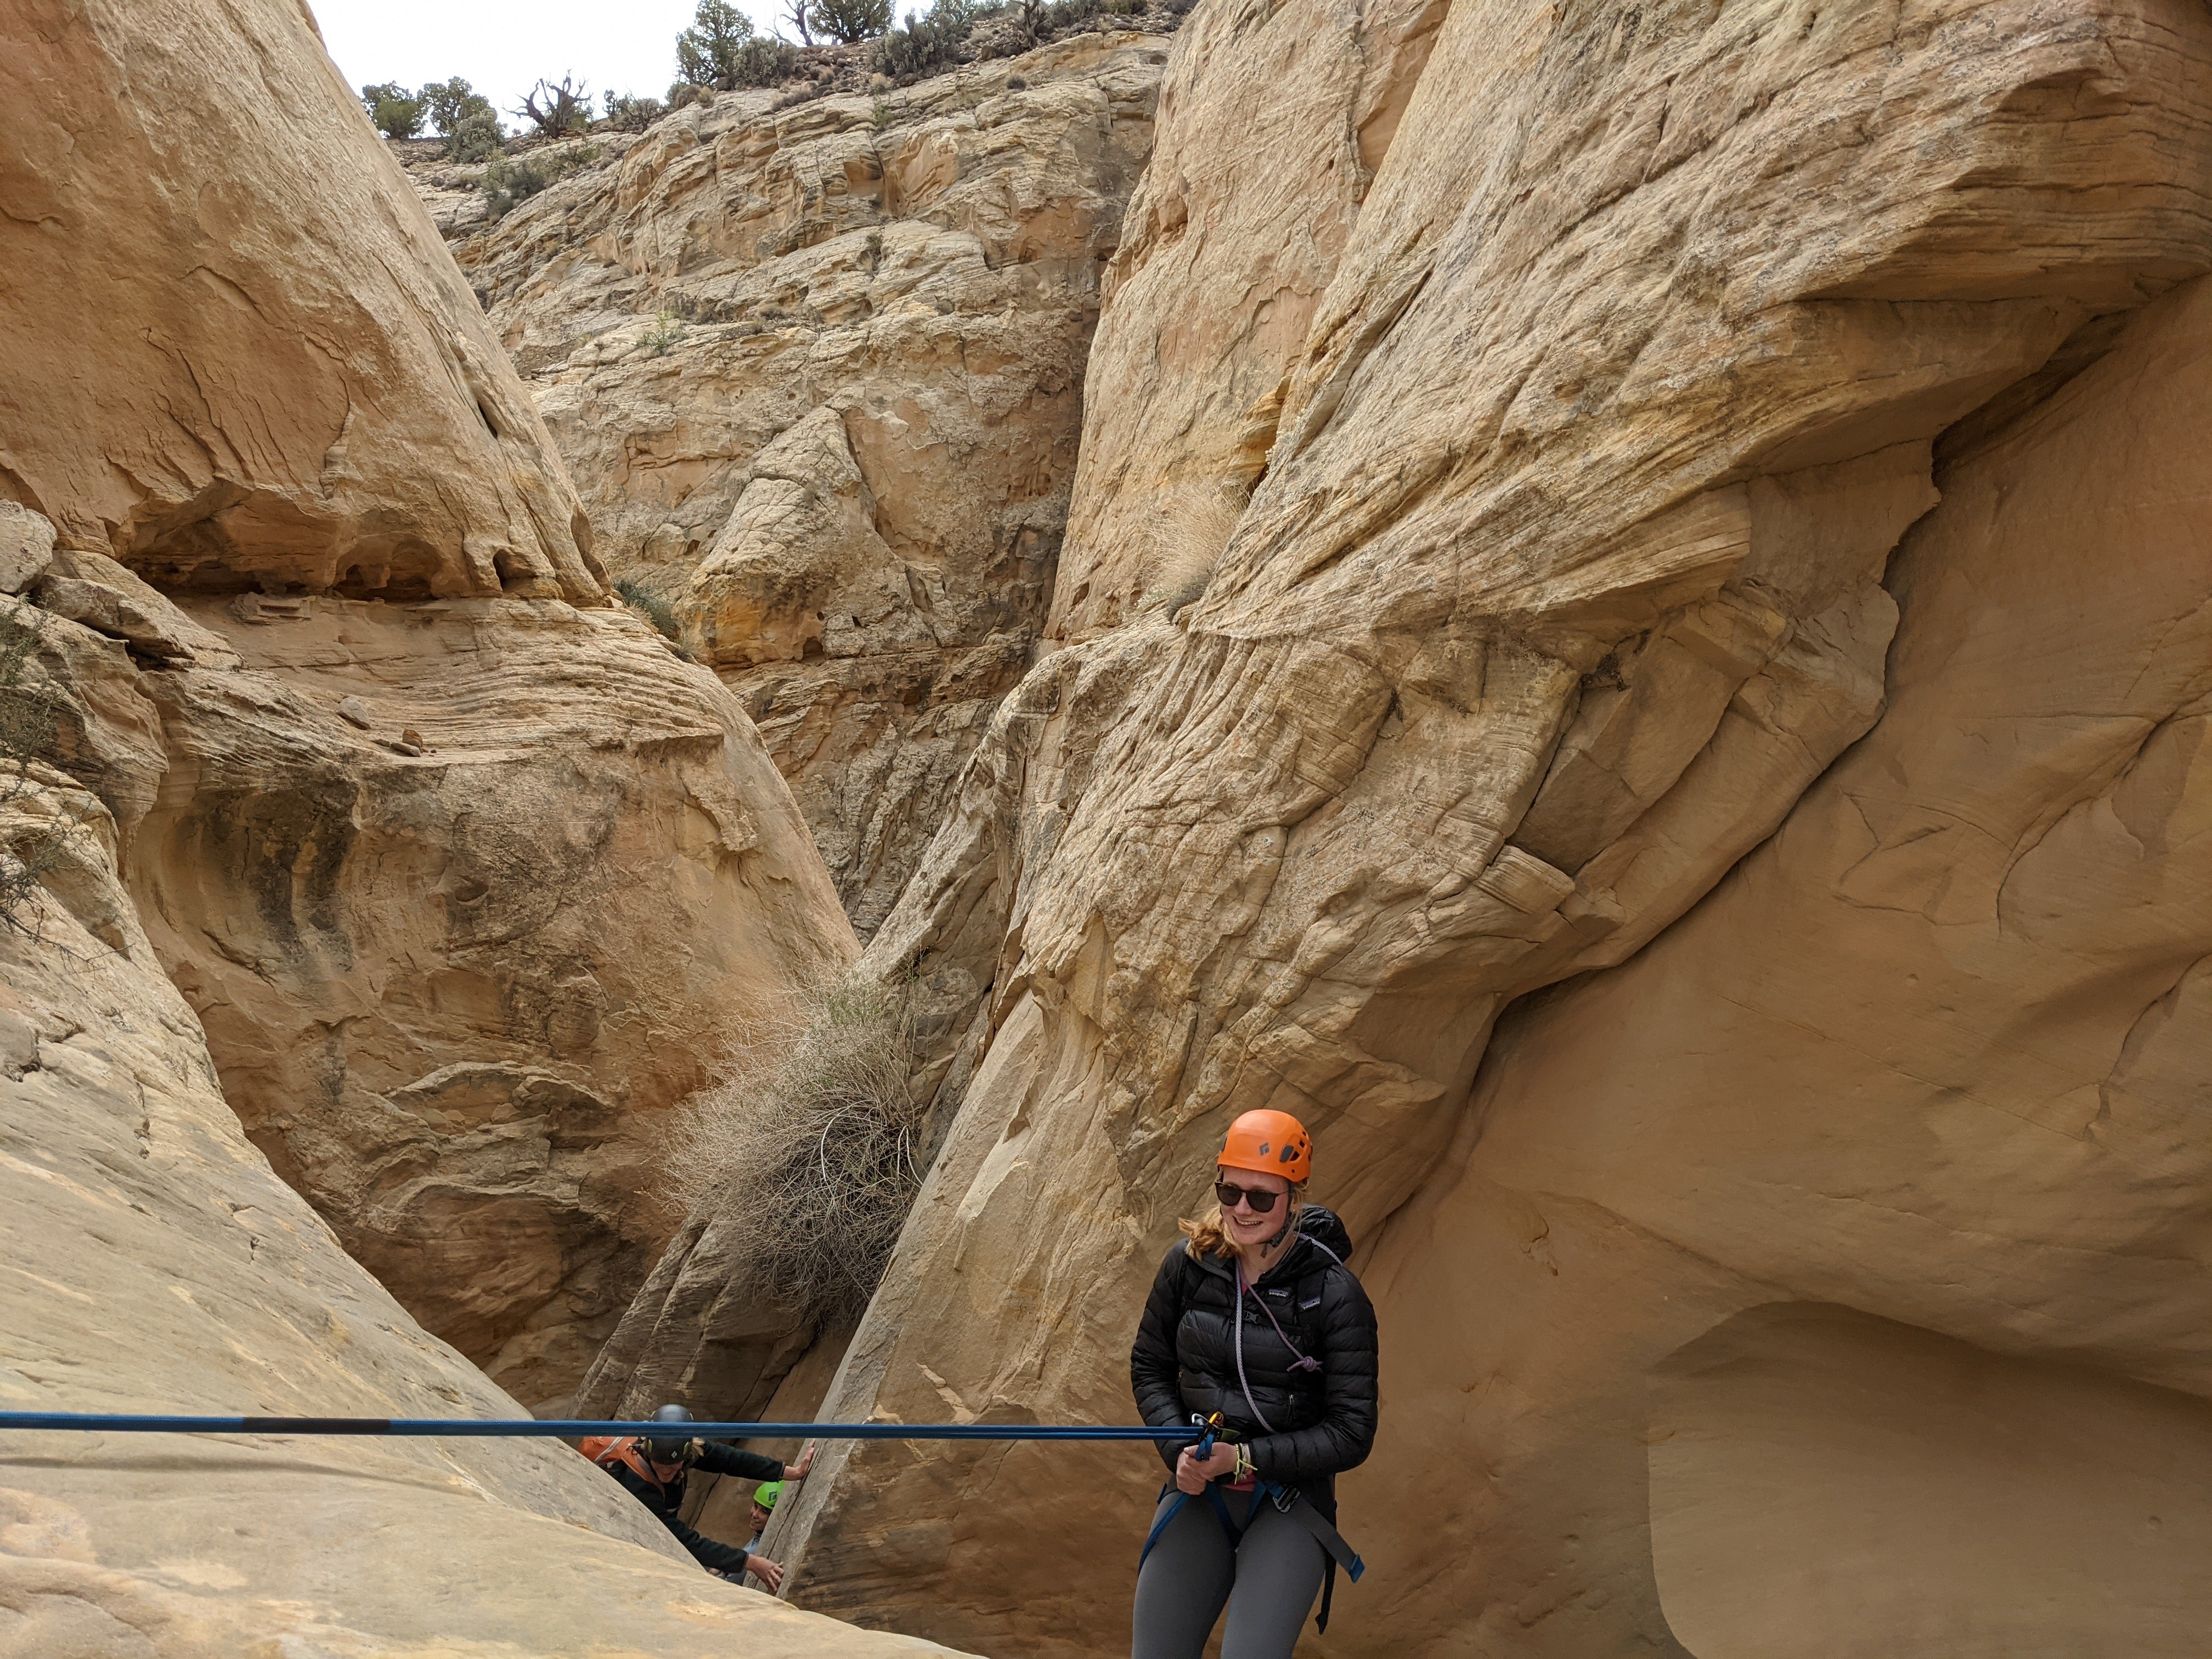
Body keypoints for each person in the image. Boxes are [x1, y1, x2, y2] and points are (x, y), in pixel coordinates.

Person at [1127, 1109, 1378, 1659]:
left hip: (1288, 1505)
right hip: (1198, 1491)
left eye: (1261, 1198)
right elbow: (1149, 1367)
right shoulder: (1189, 1265)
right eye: (1231, 1191)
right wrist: (1178, 1450)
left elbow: (1352, 1431)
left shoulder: (1334, 1294)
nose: (1242, 1209)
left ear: (1294, 1197)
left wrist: (1243, 1461)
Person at [583, 1404, 815, 1592]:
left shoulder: (686, 1450)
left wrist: (787, 1472)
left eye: (674, 1467)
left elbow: (730, 1460)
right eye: (661, 1467)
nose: (667, 1473)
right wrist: (751, 1563)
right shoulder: (636, 1483)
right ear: (648, 1452)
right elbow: (684, 1540)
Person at [747, 1479, 782, 1551]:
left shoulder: (755, 1551)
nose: (755, 1515)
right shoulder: (756, 1542)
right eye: (756, 1507)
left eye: (764, 1512)